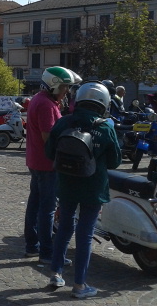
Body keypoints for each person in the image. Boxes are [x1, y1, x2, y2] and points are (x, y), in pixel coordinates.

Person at [45, 81, 121, 298]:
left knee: (64, 226)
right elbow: (115, 161)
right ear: (104, 103)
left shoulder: (64, 122)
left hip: (67, 183)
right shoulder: (105, 127)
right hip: (93, 187)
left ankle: (56, 273)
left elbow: (49, 152)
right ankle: (79, 285)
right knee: (85, 233)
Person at [24, 66, 80, 264]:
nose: (67, 91)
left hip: (36, 160)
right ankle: (46, 252)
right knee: (47, 209)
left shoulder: (40, 99)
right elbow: (48, 137)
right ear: (54, 85)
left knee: (34, 205)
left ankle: (32, 246)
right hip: (46, 163)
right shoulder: (46, 105)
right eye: (65, 87)